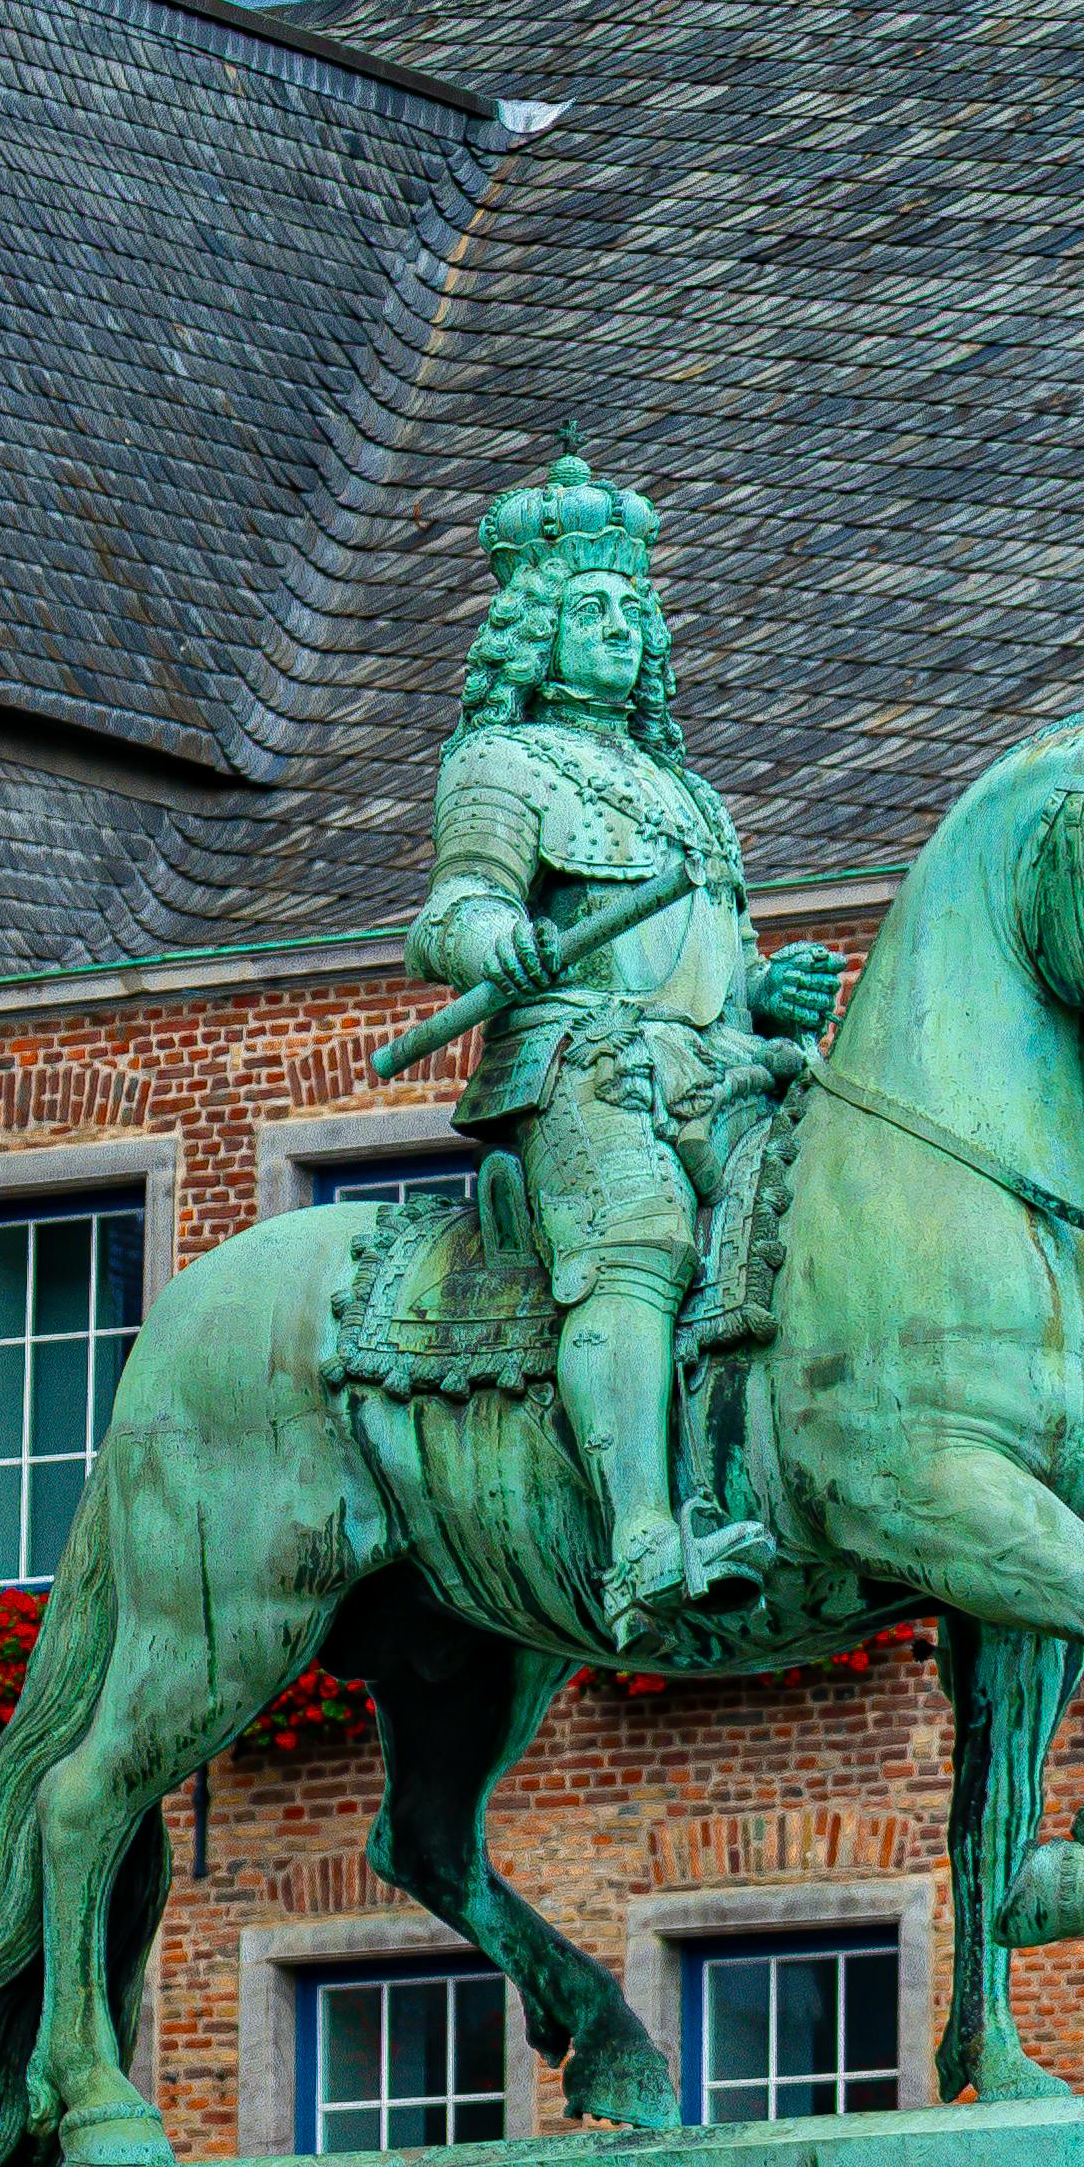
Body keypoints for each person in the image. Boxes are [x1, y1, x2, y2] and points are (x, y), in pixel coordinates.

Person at [399, 452, 846, 1631]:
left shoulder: (687, 792)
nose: (616, 631)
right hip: (587, 1069)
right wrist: (501, 940)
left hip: (723, 1069)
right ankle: (644, 1537)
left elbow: (714, 965)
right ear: (534, 630)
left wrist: (769, 988)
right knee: (638, 1245)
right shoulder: (503, 763)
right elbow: (450, 914)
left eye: (631, 613)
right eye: (588, 611)